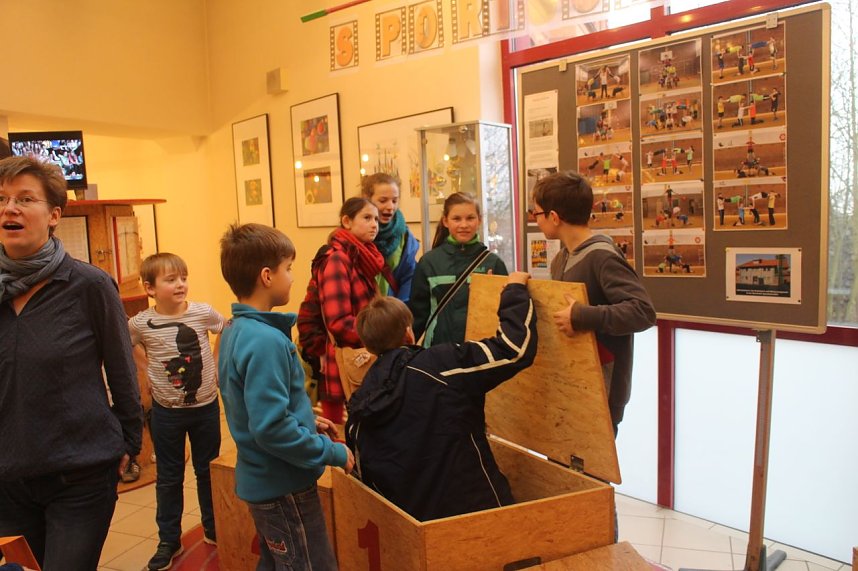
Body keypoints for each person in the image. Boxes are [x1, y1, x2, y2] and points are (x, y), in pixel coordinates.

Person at [0, 156, 143, 569]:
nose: (10, 208)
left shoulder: (89, 285)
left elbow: (122, 370)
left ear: (54, 216)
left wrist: (129, 441)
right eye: (2, 199)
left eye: (25, 199)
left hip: (79, 476)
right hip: (8, 481)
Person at [346, 272, 537, 521]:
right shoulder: (440, 365)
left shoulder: (360, 404)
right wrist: (515, 290)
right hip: (480, 514)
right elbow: (513, 349)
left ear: (368, 344)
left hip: (414, 530)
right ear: (408, 333)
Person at [218, 223, 354, 571]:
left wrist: (306, 418)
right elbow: (271, 429)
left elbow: (256, 406)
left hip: (267, 484)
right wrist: (333, 453)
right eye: (288, 268)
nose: (292, 278)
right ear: (267, 276)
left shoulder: (235, 330)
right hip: (284, 488)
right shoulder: (266, 342)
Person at [531, 171, 655, 434]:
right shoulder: (561, 259)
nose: (536, 220)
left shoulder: (602, 257)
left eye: (536, 214)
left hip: (602, 390)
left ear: (553, 217)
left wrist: (581, 316)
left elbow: (642, 311)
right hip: (573, 384)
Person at [128, 253, 225, 570]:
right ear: (150, 288)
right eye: (171, 280)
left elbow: (225, 327)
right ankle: (169, 539)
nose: (180, 284)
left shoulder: (202, 312)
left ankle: (213, 528)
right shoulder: (141, 322)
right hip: (167, 412)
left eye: (183, 277)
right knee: (169, 478)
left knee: (207, 471)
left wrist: (216, 361)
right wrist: (147, 367)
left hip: (205, 407)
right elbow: (126, 342)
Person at [300, 197, 391, 425]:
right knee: (341, 431)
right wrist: (381, 335)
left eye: (376, 219)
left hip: (362, 356)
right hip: (344, 361)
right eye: (367, 218)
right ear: (347, 221)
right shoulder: (337, 259)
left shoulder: (361, 257)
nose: (374, 225)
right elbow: (338, 322)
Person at [409, 192, 507, 347]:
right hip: (437, 351)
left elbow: (505, 313)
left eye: (470, 218)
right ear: (445, 221)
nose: (464, 225)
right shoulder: (428, 262)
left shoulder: (493, 263)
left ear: (479, 220)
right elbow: (417, 316)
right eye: (456, 219)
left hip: (480, 350)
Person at [360, 173, 419, 302]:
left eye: (394, 201)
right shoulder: (356, 235)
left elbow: (408, 276)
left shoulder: (404, 236)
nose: (390, 207)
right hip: (362, 308)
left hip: (393, 308)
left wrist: (398, 308)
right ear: (367, 199)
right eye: (383, 201)